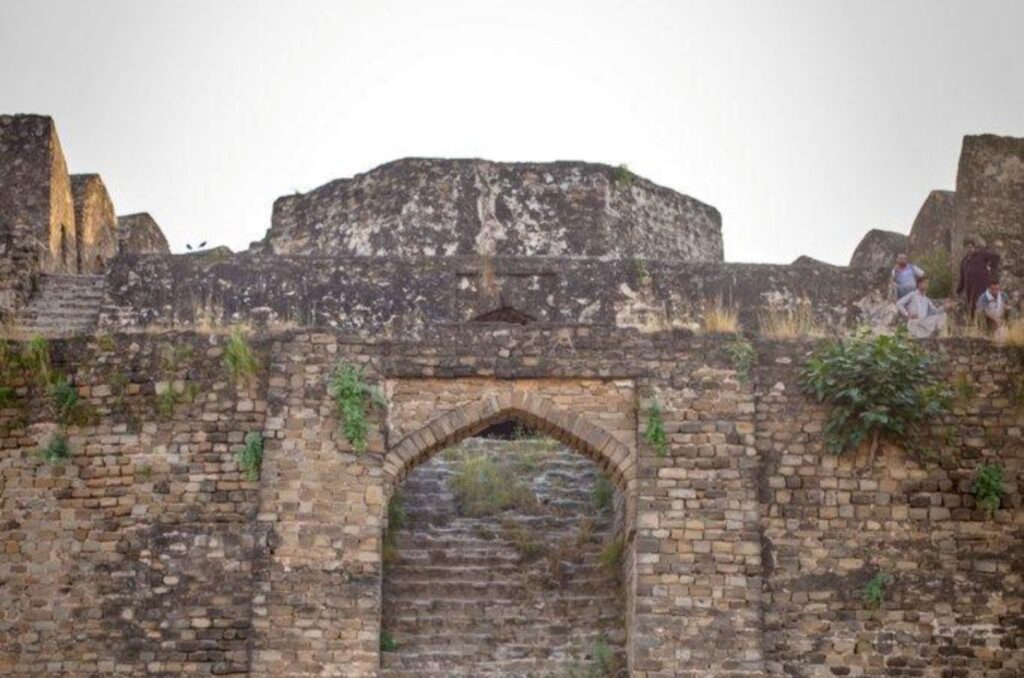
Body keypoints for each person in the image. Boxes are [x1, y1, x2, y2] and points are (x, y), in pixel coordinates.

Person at [956, 236, 1001, 318]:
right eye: (966, 248)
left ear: (974, 247)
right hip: (970, 291)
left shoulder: (981, 255)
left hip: (982, 287)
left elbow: (996, 257)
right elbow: (962, 278)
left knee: (984, 308)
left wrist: (992, 271)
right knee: (972, 308)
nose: (969, 249)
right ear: (964, 249)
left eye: (970, 247)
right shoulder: (964, 262)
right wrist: (958, 290)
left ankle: (987, 327)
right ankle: (975, 328)